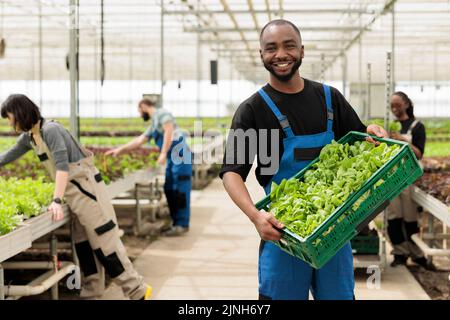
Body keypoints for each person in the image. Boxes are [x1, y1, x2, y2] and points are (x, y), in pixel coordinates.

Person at [220, 19, 388, 300]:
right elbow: (231, 172)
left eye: (289, 45)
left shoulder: (329, 98)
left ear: (302, 50)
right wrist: (255, 216)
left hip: (334, 229)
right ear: (261, 54)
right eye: (271, 48)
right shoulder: (253, 110)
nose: (281, 55)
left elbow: (360, 140)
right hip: (283, 232)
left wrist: (370, 131)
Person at [0, 94, 152, 300]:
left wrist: (55, 200)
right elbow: (6, 156)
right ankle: (93, 290)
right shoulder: (29, 138)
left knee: (104, 243)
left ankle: (138, 291)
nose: (10, 123)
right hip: (73, 196)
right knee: (84, 245)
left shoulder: (51, 130)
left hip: (86, 191)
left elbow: (62, 167)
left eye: (10, 118)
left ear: (21, 113)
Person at [106, 98, 192, 236]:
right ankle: (176, 222)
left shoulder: (162, 114)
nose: (140, 114)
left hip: (181, 155)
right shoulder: (154, 124)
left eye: (140, 111)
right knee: (169, 188)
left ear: (144, 106)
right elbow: (140, 140)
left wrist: (163, 153)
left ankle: (182, 224)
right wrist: (119, 150)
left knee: (180, 190)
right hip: (173, 158)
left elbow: (169, 131)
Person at [387, 91, 429, 268]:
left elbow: (419, 154)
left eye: (398, 105)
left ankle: (416, 253)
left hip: (409, 177)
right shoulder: (392, 126)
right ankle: (400, 253)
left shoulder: (417, 126)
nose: (395, 109)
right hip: (393, 176)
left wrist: (403, 140)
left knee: (410, 218)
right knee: (394, 216)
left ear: (406, 104)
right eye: (392, 106)